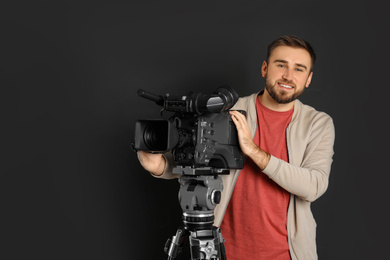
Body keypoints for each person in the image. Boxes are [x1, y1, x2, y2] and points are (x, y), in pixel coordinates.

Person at [137, 35, 335, 260]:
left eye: (299, 69)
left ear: (308, 79)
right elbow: (197, 159)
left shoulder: (318, 123)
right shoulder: (228, 110)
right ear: (264, 68)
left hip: (288, 255)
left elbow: (314, 186)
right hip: (223, 252)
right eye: (281, 65)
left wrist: (252, 150)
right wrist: (160, 166)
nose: (288, 76)